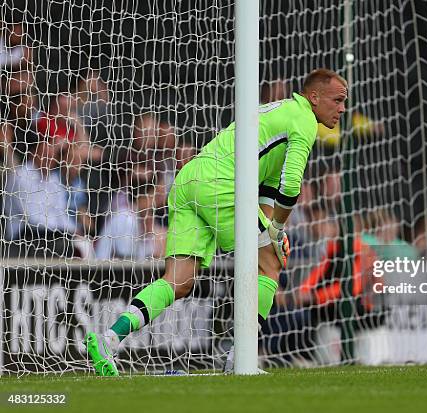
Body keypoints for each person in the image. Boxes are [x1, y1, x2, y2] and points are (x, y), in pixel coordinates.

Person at [84, 68, 348, 376]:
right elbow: (291, 186)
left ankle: (110, 338)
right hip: (221, 185)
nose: (342, 108)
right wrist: (275, 231)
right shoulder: (302, 120)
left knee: (178, 281)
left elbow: (267, 190)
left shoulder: (279, 113)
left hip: (189, 179)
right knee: (271, 263)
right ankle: (242, 356)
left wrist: (271, 226)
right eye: (338, 100)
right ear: (314, 97)